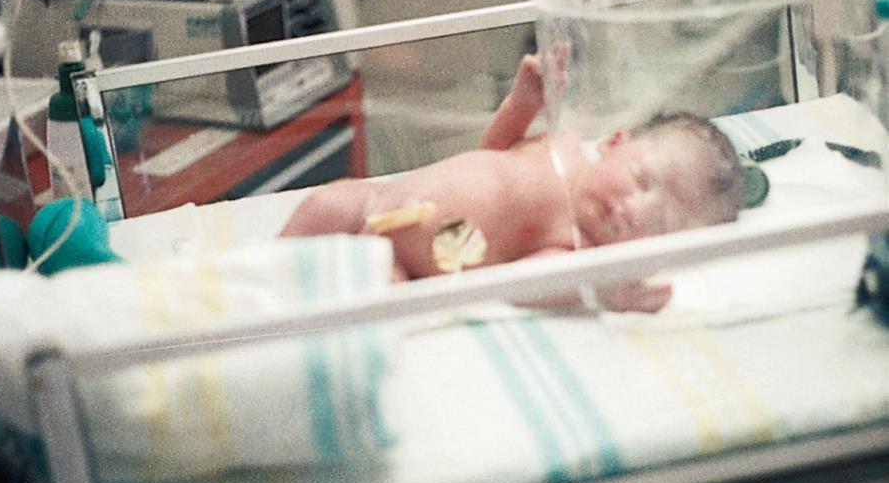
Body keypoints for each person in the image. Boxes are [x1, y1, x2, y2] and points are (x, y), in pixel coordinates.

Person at [280, 53, 743, 312]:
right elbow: (492, 152)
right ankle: (254, 274)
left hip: (408, 266)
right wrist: (521, 103)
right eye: (641, 179)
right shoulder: (560, 144)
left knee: (382, 307)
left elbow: (520, 283)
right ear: (615, 141)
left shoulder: (572, 248)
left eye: (658, 225)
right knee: (322, 205)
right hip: (373, 201)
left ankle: (273, 325)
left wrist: (600, 289)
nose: (635, 210)